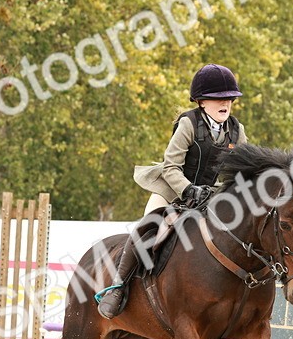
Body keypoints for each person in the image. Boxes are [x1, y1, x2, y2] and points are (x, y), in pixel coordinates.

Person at [96, 63, 249, 319]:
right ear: (201, 101)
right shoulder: (188, 124)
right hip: (173, 190)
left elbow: (241, 170)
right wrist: (189, 190)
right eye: (218, 98)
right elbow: (170, 167)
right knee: (147, 228)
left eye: (230, 98)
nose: (226, 103)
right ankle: (118, 288)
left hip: (210, 196)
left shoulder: (236, 130)